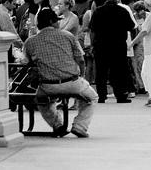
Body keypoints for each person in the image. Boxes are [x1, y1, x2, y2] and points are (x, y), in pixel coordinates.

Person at [23, 7, 97, 138]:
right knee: (92, 98)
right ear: (52, 22)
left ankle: (57, 124)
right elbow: (80, 59)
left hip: (46, 85)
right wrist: (82, 75)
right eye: (57, 21)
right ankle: (80, 126)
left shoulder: (30, 41)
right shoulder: (67, 36)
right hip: (71, 81)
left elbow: (27, 63)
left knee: (41, 100)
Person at [86, 0, 135, 104]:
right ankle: (120, 95)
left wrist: (92, 45)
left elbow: (92, 29)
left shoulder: (98, 11)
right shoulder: (122, 11)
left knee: (101, 70)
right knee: (119, 70)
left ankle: (101, 95)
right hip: (118, 45)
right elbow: (131, 26)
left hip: (101, 44)